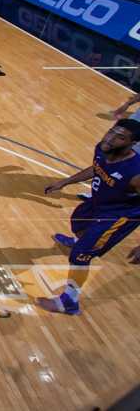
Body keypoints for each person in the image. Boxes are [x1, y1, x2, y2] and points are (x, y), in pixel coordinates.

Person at [40, 119, 140, 314]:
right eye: (111, 131)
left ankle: (69, 301)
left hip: (118, 216)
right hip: (98, 203)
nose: (110, 138)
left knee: (79, 255)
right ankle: (84, 240)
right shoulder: (104, 149)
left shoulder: (136, 173)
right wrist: (66, 181)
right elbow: (96, 168)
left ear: (132, 143)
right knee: (77, 222)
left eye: (120, 137)